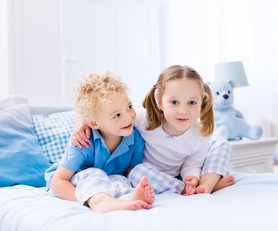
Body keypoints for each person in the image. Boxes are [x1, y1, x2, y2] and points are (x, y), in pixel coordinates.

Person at [72, 65, 235, 195]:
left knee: (221, 144)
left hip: (179, 174)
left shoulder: (199, 134)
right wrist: (81, 125)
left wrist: (191, 177)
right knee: (137, 172)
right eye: (174, 102)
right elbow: (111, 120)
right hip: (152, 175)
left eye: (192, 103)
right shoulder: (144, 118)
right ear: (160, 102)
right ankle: (186, 189)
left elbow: (192, 164)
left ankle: (205, 186)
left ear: (202, 103)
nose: (183, 111)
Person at [45, 72, 155, 213]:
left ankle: (126, 199)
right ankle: (100, 202)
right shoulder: (83, 141)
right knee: (94, 175)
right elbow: (58, 182)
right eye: (117, 115)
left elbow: (129, 173)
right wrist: (86, 197)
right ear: (93, 123)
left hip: (108, 181)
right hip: (77, 182)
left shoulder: (135, 139)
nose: (128, 117)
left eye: (129, 107)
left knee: (121, 180)